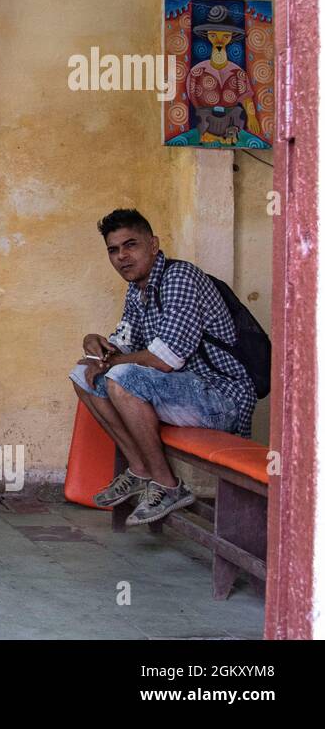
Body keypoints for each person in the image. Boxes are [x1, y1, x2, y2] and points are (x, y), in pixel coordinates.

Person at [71, 208, 256, 526]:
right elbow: (126, 343)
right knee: (82, 374)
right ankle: (140, 469)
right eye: (113, 250)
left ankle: (168, 486)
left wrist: (112, 363)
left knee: (122, 378)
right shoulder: (137, 289)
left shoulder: (179, 278)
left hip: (221, 398)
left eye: (131, 245)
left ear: (153, 245)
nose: (122, 257)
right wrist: (95, 346)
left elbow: (164, 359)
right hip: (182, 392)